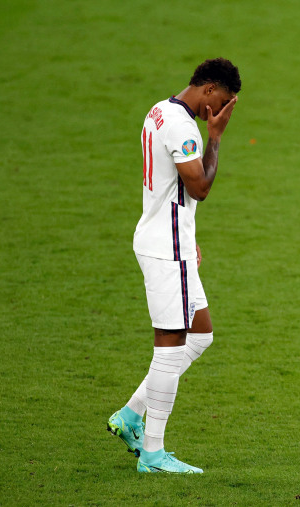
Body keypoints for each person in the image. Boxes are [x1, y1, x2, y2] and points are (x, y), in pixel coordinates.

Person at [107, 58, 241, 474]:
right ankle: (152, 453)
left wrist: (187, 234)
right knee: (169, 346)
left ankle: (131, 414)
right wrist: (215, 139)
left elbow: (170, 188)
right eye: (219, 102)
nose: (216, 112)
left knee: (200, 336)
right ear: (208, 87)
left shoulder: (160, 109)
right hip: (167, 251)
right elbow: (198, 187)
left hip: (167, 240)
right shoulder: (185, 127)